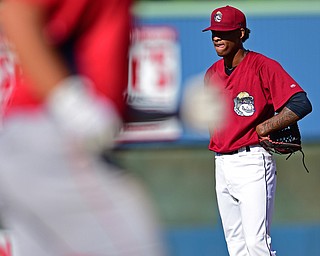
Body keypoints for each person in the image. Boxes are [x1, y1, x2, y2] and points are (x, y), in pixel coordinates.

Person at [0, 0, 167, 256]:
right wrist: (67, 101)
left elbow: (99, 103)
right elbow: (15, 11)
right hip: (52, 139)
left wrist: (174, 111)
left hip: (35, 136)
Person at [202, 5, 312, 256]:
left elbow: (301, 102)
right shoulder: (211, 74)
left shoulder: (262, 66)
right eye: (213, 32)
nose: (216, 37)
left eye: (223, 31)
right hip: (222, 163)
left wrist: (268, 124)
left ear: (241, 33)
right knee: (236, 245)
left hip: (252, 160)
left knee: (256, 244)